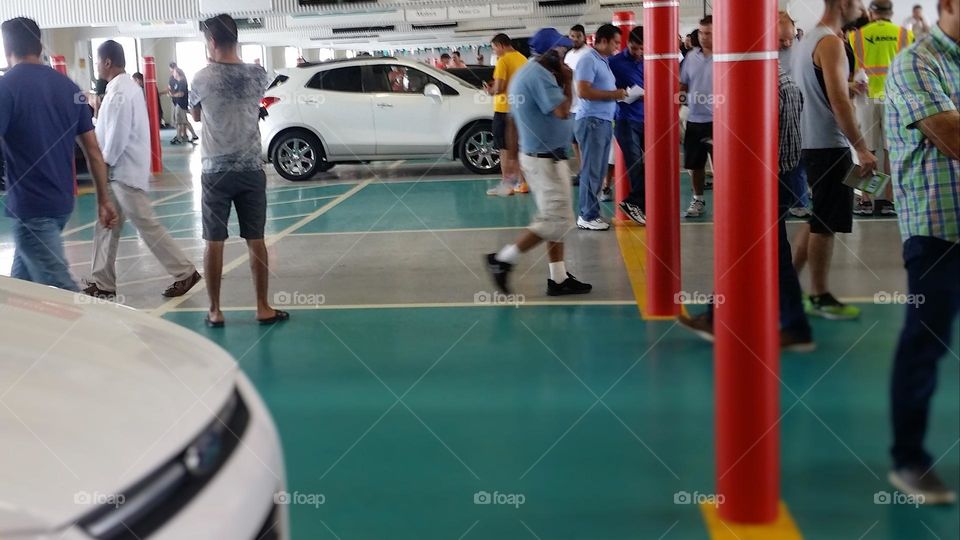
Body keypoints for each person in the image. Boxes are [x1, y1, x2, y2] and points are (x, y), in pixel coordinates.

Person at [678, 61, 815, 352]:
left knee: (754, 253)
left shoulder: (764, 87)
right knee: (759, 253)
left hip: (766, 182)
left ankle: (792, 327)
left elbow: (758, 140)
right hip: (783, 176)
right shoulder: (786, 80)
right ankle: (723, 317)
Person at [884, 0, 959, 504]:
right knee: (925, 343)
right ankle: (909, 458)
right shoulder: (918, 60)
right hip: (938, 230)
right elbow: (952, 134)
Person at [0, 17, 118, 291]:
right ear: (40, 44)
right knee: (20, 293)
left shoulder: (6, 88)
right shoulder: (69, 88)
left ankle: (96, 334)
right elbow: (94, 151)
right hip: (62, 204)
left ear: (7, 47)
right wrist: (104, 200)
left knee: (64, 295)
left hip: (31, 208)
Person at [189, 13, 288, 327]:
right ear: (236, 40)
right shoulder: (258, 74)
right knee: (255, 238)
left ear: (212, 42)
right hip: (250, 168)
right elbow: (264, 102)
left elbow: (195, 116)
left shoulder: (201, 77)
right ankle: (262, 306)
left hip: (214, 170)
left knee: (213, 241)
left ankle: (216, 310)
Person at [82, 40, 201, 300]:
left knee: (146, 224)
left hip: (123, 172)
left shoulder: (121, 91)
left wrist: (105, 163)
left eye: (98, 62)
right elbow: (108, 127)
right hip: (119, 173)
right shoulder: (122, 88)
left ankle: (185, 272)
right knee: (105, 224)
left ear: (107, 62)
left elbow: (117, 135)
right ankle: (102, 282)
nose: (97, 67)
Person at [485, 28, 591, 297]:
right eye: (562, 49)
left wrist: (512, 157)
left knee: (553, 218)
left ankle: (558, 278)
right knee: (557, 219)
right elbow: (562, 110)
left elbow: (510, 117)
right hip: (545, 160)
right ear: (550, 52)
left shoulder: (531, 72)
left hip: (544, 157)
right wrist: (568, 81)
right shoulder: (540, 76)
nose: (565, 53)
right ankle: (503, 259)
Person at [792, 0, 878, 321]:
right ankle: (819, 295)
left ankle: (786, 286)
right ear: (843, 3)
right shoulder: (831, 43)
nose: (861, 6)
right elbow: (839, 103)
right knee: (826, 224)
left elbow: (826, 90)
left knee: (818, 217)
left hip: (811, 142)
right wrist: (863, 148)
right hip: (829, 144)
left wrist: (845, 86)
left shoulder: (810, 40)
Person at [849, 0, 913, 216]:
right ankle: (888, 201)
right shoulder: (905, 34)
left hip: (865, 97)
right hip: (894, 97)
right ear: (891, 13)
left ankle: (866, 201)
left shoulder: (856, 35)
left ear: (871, 12)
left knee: (865, 149)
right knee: (891, 150)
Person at [574, 24, 627, 231]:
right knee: (592, 171)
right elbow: (583, 91)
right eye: (615, 42)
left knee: (597, 170)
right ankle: (587, 215)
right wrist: (614, 95)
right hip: (592, 121)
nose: (617, 47)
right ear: (603, 41)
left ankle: (590, 212)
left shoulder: (601, 61)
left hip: (602, 121)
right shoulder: (588, 59)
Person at [609, 26, 647, 225]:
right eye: (634, 48)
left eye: (642, 49)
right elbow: (604, 86)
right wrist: (620, 92)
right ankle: (635, 204)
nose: (638, 53)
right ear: (628, 43)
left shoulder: (649, 62)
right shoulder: (614, 62)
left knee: (653, 164)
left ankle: (636, 203)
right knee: (635, 163)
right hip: (625, 119)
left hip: (646, 119)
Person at [484, 34, 528, 197]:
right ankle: (522, 183)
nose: (494, 52)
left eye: (494, 48)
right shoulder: (523, 58)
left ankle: (507, 185)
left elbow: (500, 87)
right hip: (519, 110)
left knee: (504, 150)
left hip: (503, 110)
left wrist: (490, 90)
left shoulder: (503, 61)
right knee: (517, 149)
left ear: (501, 45)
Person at [679, 16, 714, 218]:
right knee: (695, 164)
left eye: (708, 33)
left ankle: (727, 200)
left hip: (719, 121)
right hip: (695, 120)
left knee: (724, 165)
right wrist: (678, 108)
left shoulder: (726, 55)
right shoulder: (691, 57)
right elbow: (683, 85)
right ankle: (698, 199)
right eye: (700, 32)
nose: (703, 37)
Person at [779, 11, 813, 219]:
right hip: (779, 110)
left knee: (798, 158)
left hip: (800, 109)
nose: (787, 43)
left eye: (790, 39)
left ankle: (800, 200)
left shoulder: (802, 49)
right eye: (781, 40)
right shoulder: (765, 54)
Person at [564, 24, 589, 186]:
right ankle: (582, 172)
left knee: (583, 143)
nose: (574, 39)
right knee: (574, 142)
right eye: (572, 36)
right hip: (571, 105)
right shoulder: (568, 55)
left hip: (583, 106)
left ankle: (587, 174)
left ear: (584, 37)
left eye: (578, 36)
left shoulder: (588, 54)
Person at [169, 68, 197, 145]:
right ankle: (182, 136)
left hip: (181, 104)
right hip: (178, 104)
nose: (173, 74)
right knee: (181, 121)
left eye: (174, 72)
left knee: (182, 121)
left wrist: (173, 95)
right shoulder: (178, 82)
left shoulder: (182, 82)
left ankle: (181, 137)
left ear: (177, 73)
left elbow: (181, 94)